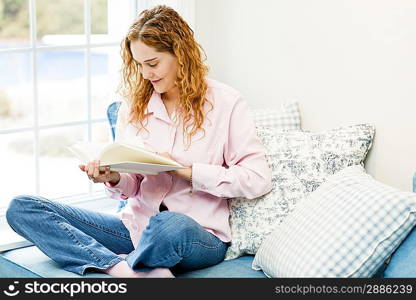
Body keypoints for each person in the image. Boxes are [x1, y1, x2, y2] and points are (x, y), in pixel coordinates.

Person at [6, 5, 272, 278]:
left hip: (196, 234)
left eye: (153, 63)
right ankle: (123, 269)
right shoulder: (134, 107)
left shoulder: (226, 103)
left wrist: (188, 173)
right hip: (136, 228)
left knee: (168, 225)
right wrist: (113, 177)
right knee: (23, 208)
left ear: (180, 53)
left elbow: (257, 178)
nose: (146, 74)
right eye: (139, 65)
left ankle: (134, 263)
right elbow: (132, 186)